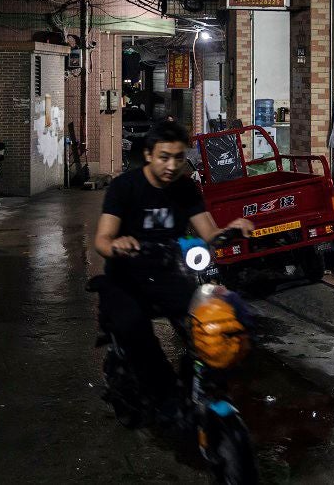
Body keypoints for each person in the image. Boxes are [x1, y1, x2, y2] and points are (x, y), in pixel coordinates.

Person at [93, 120, 253, 417]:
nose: (171, 165)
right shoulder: (124, 187)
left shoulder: (185, 187)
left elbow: (209, 233)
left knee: (209, 325)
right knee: (136, 333)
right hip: (126, 278)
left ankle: (202, 389)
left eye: (179, 157)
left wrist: (230, 229)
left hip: (169, 274)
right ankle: (166, 401)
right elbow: (102, 240)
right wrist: (118, 244)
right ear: (149, 154)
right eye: (164, 157)